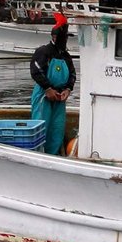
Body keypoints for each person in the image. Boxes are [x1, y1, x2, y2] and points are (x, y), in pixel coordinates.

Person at [31, 13, 76, 155]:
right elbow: (36, 70)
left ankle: (52, 155)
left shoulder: (66, 56)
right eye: (64, 37)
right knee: (40, 128)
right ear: (54, 37)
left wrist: (67, 90)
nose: (65, 40)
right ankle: (38, 155)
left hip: (59, 99)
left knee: (57, 130)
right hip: (44, 96)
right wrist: (48, 89)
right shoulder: (43, 51)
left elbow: (73, 74)